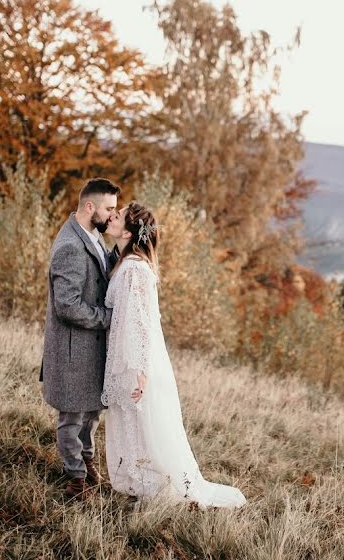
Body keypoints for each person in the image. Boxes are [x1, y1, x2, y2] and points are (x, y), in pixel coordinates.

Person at [101, 202, 246, 508]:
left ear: (127, 231)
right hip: (126, 356)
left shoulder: (134, 269)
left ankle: (155, 488)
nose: (110, 217)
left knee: (141, 423)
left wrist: (138, 370)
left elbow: (140, 322)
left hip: (135, 360)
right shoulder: (127, 264)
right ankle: (139, 484)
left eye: (116, 216)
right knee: (132, 423)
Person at [41, 178, 120, 499]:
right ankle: (75, 479)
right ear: (90, 207)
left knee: (90, 415)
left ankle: (87, 463)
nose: (113, 216)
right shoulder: (70, 247)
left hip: (91, 350)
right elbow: (67, 306)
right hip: (73, 353)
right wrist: (109, 320)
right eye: (109, 209)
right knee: (71, 420)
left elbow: (102, 272)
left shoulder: (92, 235)